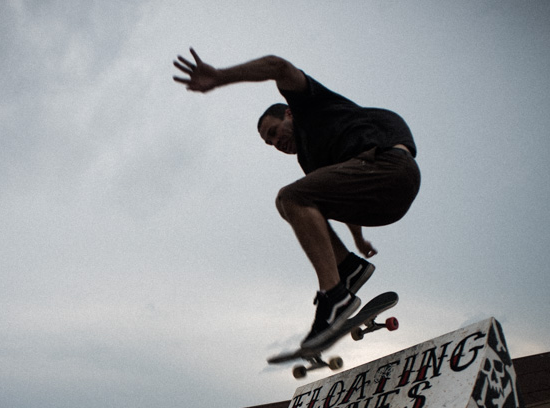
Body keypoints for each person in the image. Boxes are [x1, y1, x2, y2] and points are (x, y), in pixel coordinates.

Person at [173, 49, 420, 350]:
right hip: (383, 200)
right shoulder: (311, 161)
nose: (277, 143)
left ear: (289, 114)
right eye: (270, 143)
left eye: (275, 132)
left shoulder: (308, 105)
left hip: (391, 168)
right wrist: (357, 238)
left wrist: (221, 76)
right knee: (303, 202)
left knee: (290, 198)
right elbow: (343, 192)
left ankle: (335, 296)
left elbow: (278, 66)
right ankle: (348, 270)